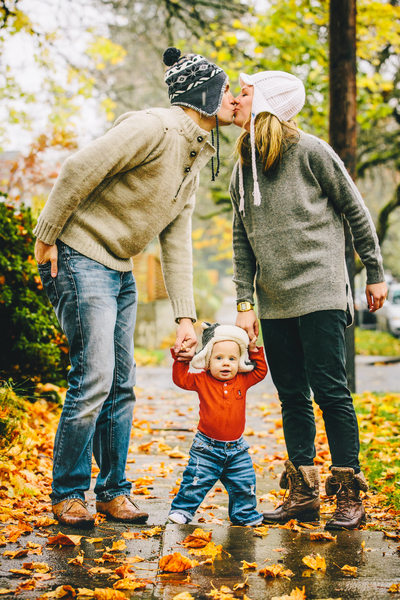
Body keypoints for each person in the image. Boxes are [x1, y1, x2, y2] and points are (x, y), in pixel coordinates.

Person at [33, 47, 236, 529]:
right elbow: (78, 168)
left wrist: (185, 316)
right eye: (227, 88)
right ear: (203, 94)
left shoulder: (195, 154)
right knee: (95, 379)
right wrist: (45, 237)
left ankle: (112, 491)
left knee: (122, 386)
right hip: (81, 255)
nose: (234, 97)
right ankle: (68, 493)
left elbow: (177, 239)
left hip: (119, 268)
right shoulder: (154, 127)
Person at [230, 70, 387, 530]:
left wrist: (374, 272)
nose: (235, 98)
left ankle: (347, 494)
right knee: (291, 396)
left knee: (332, 392)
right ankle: (302, 493)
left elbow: (355, 208)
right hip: (275, 300)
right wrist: (245, 302)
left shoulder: (312, 151)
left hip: (320, 291)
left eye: (244, 91)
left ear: (269, 102)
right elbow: (241, 237)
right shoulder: (244, 165)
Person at [168, 322, 268, 526]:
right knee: (195, 481)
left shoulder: (242, 380)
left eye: (232, 359)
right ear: (207, 360)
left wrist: (254, 350)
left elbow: (260, 372)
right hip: (206, 447)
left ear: (239, 361)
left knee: (245, 483)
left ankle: (245, 514)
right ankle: (183, 510)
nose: (226, 364)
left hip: (237, 449)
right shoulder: (202, 380)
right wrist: (181, 360)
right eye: (219, 358)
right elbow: (181, 380)